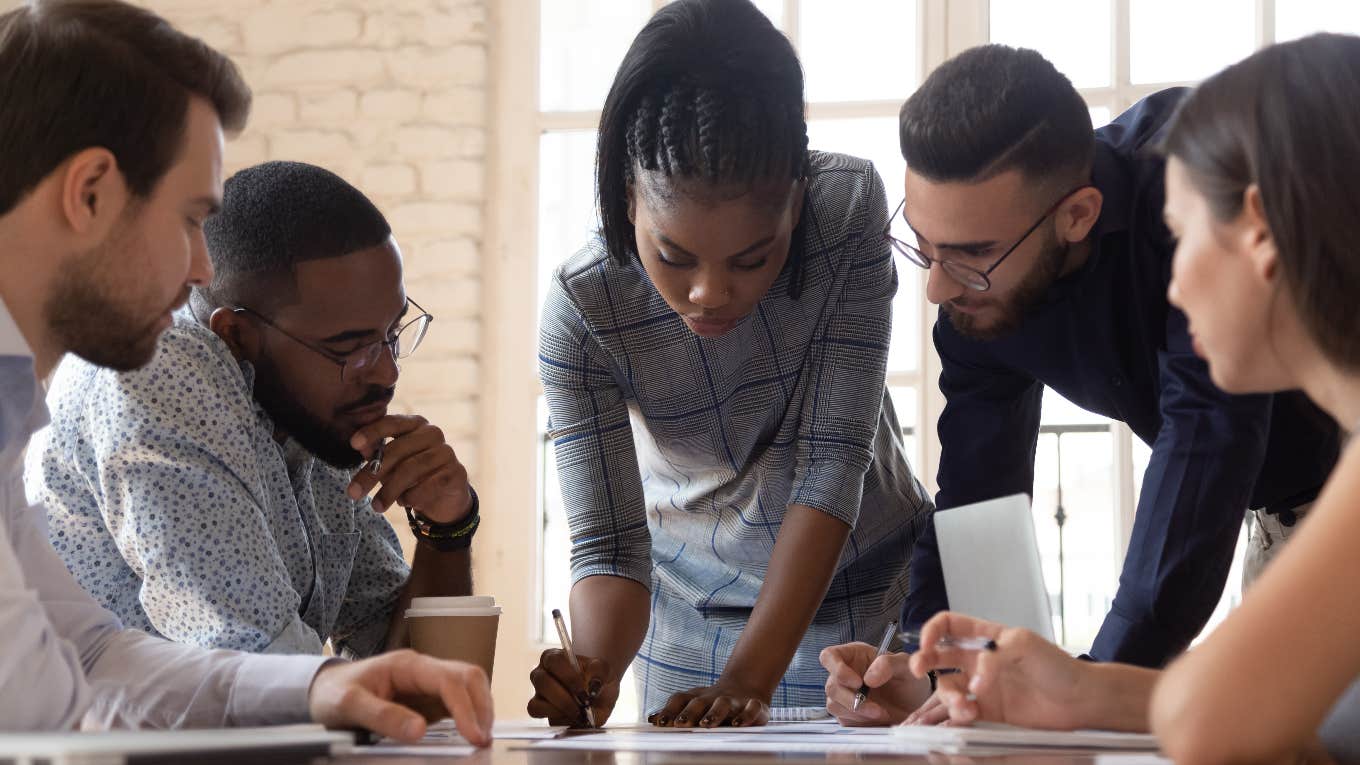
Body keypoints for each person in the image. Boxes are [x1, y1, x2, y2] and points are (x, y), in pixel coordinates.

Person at [825, 33, 1360, 764]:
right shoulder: (974, 289)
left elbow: (1206, 450)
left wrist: (1087, 686)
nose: (938, 288)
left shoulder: (1188, 173)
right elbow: (978, 492)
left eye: (1183, 236)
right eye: (923, 244)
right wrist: (938, 665)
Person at [0, 0, 491, 742]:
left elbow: (87, 653)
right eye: (192, 217)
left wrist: (324, 681)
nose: (203, 267)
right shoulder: (167, 367)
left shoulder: (11, 411)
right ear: (91, 192)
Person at [527, 0, 931, 728]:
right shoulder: (581, 308)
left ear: (797, 202)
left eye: (753, 258)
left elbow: (831, 464)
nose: (710, 292)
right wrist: (594, 668)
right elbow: (609, 544)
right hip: (690, 628)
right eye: (673, 256)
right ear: (628, 199)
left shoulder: (846, 211)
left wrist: (750, 676)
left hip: (876, 607)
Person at [28, 160, 478, 658]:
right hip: (74, 731)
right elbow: (264, 674)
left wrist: (447, 527)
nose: (387, 373)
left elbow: (425, 687)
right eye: (350, 347)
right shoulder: (156, 367)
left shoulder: (316, 418)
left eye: (392, 332)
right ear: (237, 335)